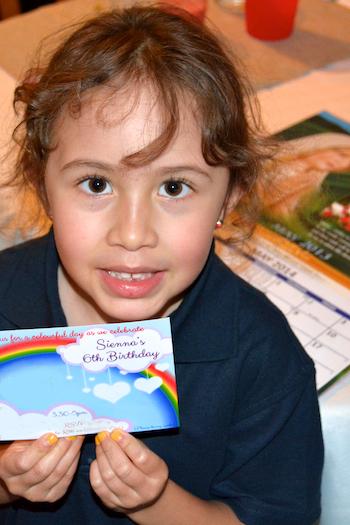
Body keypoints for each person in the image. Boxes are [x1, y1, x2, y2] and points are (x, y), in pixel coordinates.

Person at [0, 5, 323, 525]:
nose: (132, 234)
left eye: (174, 188)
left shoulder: (261, 359)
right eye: (96, 184)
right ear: (43, 185)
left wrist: (156, 503)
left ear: (229, 198)